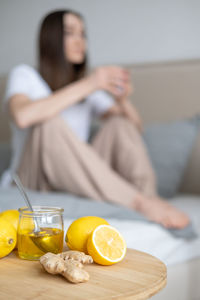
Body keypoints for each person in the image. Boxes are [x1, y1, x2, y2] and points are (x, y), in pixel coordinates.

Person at [1, 10, 189, 229]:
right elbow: (23, 117)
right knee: (48, 122)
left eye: (83, 34)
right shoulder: (25, 75)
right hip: (33, 176)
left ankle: (148, 196)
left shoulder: (88, 89)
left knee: (119, 124)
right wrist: (91, 83)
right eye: (70, 33)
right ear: (50, 39)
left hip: (74, 178)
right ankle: (138, 202)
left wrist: (122, 100)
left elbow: (135, 129)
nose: (80, 41)